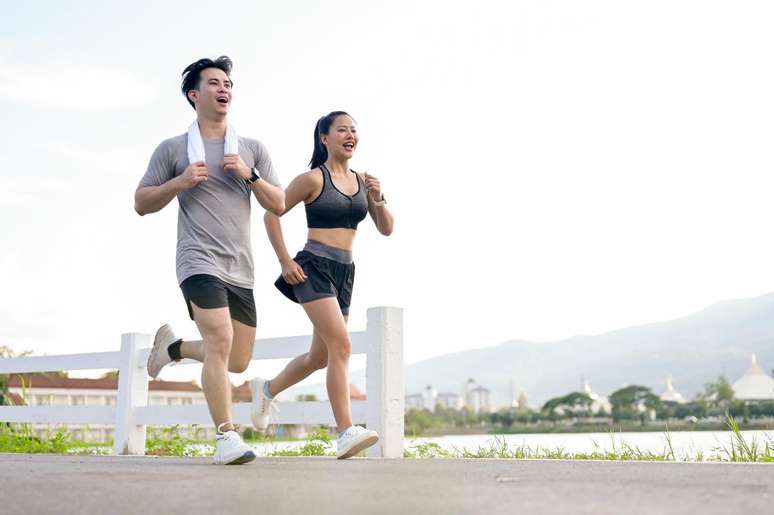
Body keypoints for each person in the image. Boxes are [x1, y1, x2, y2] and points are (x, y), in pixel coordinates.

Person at [134, 56, 285, 465]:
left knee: (237, 359)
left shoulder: (251, 149)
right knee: (219, 339)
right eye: (215, 83)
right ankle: (226, 437)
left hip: (241, 267)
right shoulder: (173, 149)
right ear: (193, 94)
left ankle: (174, 347)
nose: (224, 89)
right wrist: (180, 181)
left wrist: (250, 175)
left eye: (228, 84)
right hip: (197, 260)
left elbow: (279, 203)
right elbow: (141, 203)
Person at [250, 111, 394, 459]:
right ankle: (345, 432)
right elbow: (272, 213)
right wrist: (285, 261)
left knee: (320, 357)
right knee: (341, 346)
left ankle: (266, 391)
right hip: (313, 266)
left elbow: (387, 228)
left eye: (354, 130)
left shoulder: (363, 182)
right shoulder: (313, 179)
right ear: (324, 138)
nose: (350, 135)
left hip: (345, 271)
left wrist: (378, 197)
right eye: (342, 129)